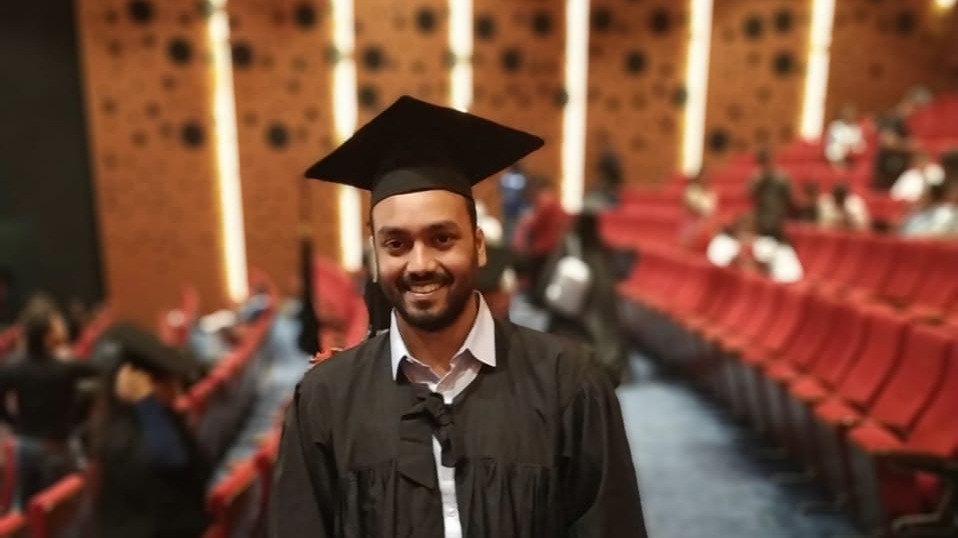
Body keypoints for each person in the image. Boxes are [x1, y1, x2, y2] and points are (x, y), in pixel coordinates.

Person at [270, 96, 647, 537]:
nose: (420, 263)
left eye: (442, 238)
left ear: (479, 244)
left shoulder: (570, 385)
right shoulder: (326, 401)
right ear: (376, 253)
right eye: (396, 244)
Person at [91, 322, 210, 538]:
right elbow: (171, 461)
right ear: (142, 383)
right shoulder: (122, 437)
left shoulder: (162, 419)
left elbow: (198, 470)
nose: (176, 390)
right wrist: (145, 400)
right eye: (168, 381)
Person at [0, 296, 100, 505]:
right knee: (66, 507)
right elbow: (100, 371)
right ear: (49, 332)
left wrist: (13, 423)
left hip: (24, 444)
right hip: (56, 448)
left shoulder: (11, 365)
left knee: (25, 508)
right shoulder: (64, 367)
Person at [544, 210, 630, 386]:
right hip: (600, 342)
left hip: (570, 333)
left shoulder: (568, 247)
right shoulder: (603, 254)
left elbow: (545, 286)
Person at [874, 94, 919, 191]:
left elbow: (912, 142)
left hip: (899, 167)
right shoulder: (892, 120)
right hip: (887, 166)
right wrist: (906, 146)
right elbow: (887, 143)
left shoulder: (904, 124)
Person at [749, 147, 793, 237]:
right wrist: (761, 178)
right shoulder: (757, 177)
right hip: (761, 219)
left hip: (779, 219)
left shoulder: (782, 177)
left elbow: (791, 196)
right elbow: (749, 192)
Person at [498, 164, 528, 246]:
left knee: (508, 227)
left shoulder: (505, 178)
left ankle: (506, 244)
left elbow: (501, 191)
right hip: (518, 207)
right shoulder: (521, 179)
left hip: (508, 207)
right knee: (516, 228)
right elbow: (524, 194)